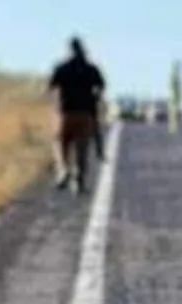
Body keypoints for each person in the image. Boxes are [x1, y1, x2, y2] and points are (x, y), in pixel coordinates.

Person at [47, 38, 106, 194]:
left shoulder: (62, 68)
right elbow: (101, 87)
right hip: (86, 113)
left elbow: (51, 86)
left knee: (60, 142)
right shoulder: (91, 68)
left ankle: (63, 170)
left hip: (66, 112)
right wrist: (94, 98)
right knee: (82, 148)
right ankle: (79, 180)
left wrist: (57, 101)